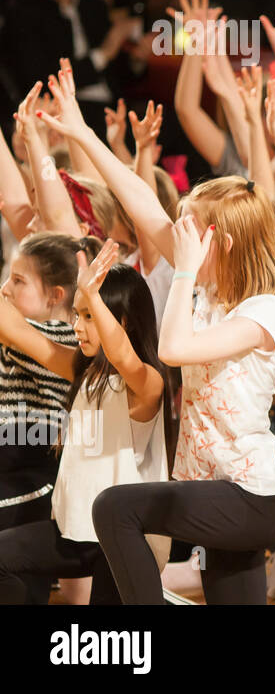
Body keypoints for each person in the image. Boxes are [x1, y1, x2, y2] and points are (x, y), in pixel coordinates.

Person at [39, 67, 275, 605]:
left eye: (188, 226)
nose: (175, 232)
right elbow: (140, 199)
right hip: (212, 491)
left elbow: (175, 350)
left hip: (250, 497)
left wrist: (181, 272)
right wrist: (80, 133)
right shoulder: (202, 291)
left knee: (115, 506)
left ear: (217, 242)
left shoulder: (265, 309)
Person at [0, 244, 173, 605]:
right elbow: (18, 331)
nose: (77, 326)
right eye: (77, 314)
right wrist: (90, 299)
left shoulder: (148, 383)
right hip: (77, 533)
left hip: (126, 541)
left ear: (123, 320)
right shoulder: (83, 372)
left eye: (89, 316)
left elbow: (124, 356)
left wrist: (92, 293)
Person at [0, 233, 87, 603]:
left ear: (55, 295)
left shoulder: (61, 335)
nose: (5, 289)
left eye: (18, 281)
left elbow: (11, 328)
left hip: (34, 482)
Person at [0, 0, 139, 123]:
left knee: (168, 122)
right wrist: (103, 54)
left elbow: (119, 72)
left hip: (113, 103)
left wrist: (137, 59)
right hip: (64, 109)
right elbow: (42, 80)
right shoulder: (22, 13)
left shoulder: (93, 6)